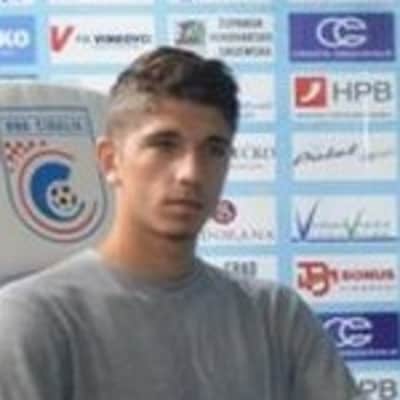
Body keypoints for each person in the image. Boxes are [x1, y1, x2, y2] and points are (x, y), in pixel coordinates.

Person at [0, 46, 362, 400]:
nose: (191, 172)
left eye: (214, 149)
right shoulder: (32, 318)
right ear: (110, 161)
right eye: (164, 144)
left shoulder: (276, 316)